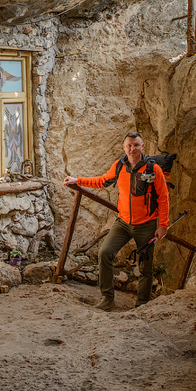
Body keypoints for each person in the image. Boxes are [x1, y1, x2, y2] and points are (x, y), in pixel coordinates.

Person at [64, 131, 170, 310]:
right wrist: (78, 180)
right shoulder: (119, 166)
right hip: (123, 222)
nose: (132, 149)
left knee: (145, 266)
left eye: (136, 145)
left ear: (142, 147)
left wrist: (163, 225)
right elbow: (103, 181)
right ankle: (107, 298)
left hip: (146, 224)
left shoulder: (153, 169)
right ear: (124, 147)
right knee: (104, 253)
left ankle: (141, 304)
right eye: (129, 145)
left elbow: (163, 197)